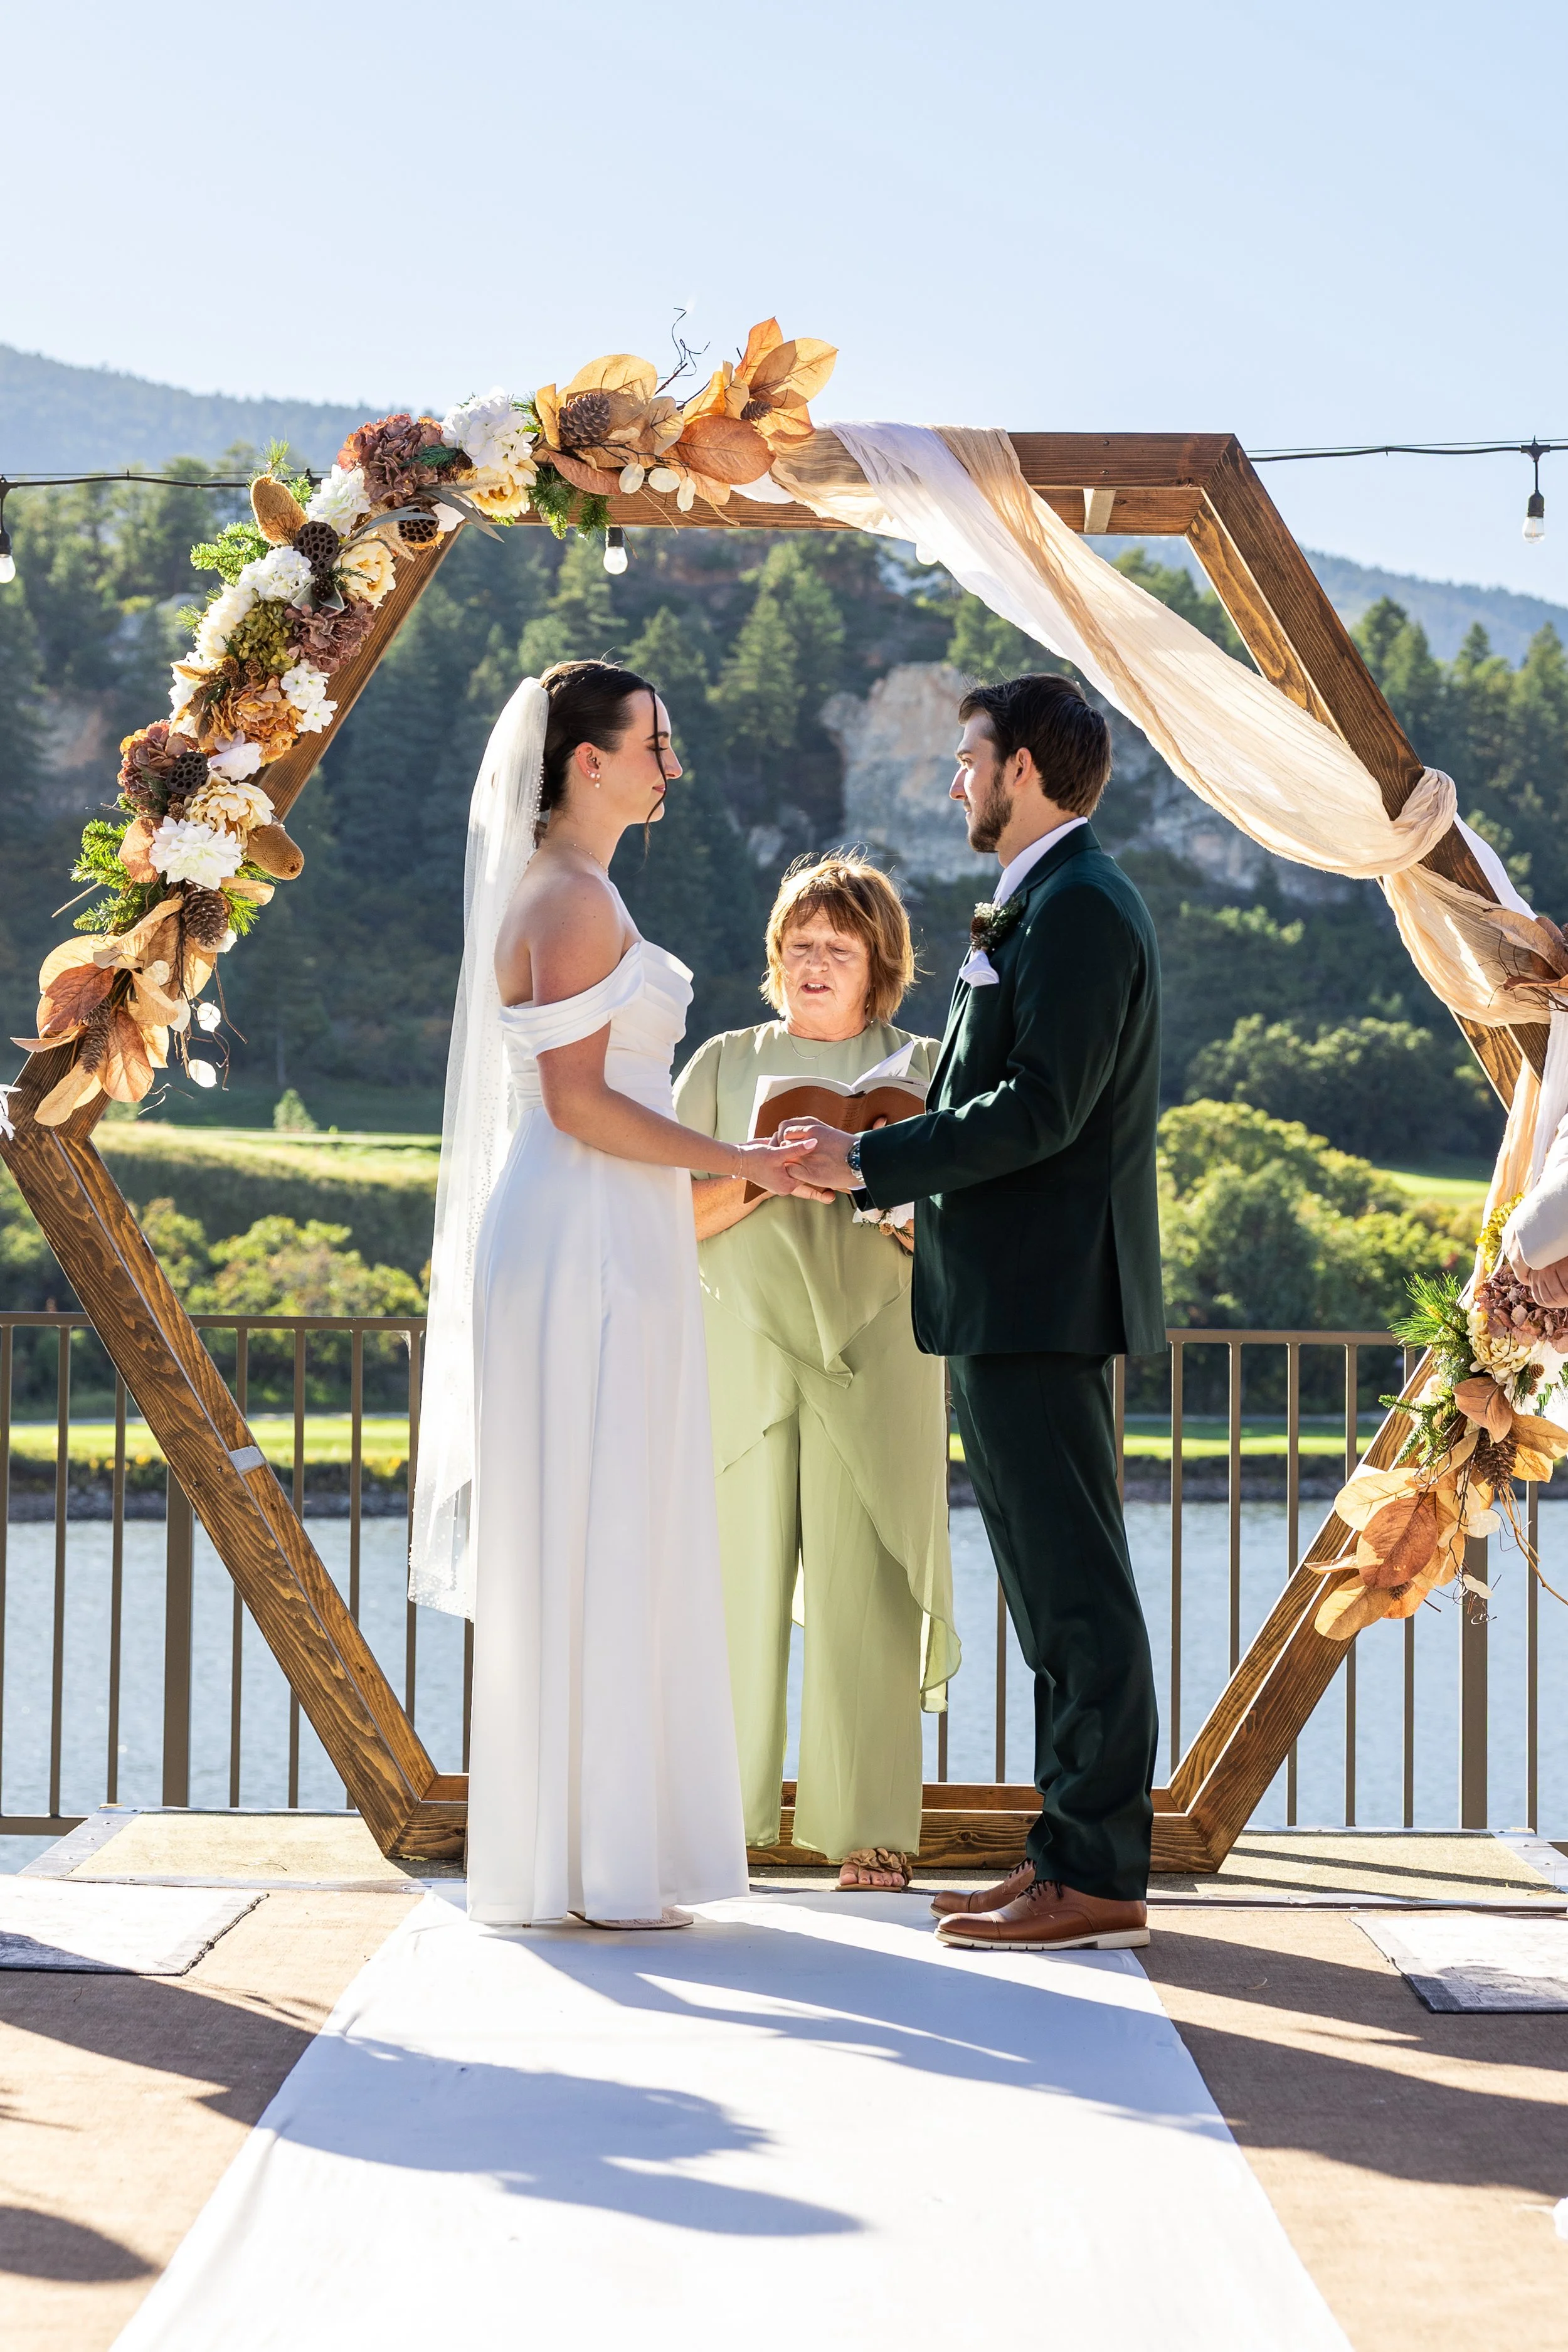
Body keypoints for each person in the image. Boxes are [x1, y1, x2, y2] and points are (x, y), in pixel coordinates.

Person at [408, 662, 822, 1931]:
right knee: (599, 1518)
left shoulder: (569, 888)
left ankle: (589, 1852)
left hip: (594, 1227)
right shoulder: (572, 898)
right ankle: (595, 1860)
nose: (670, 764)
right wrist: (742, 1161)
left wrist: (726, 1178)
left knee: (604, 1519)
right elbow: (584, 1105)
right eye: (654, 741)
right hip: (583, 1228)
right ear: (586, 760)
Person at [780, 673, 1164, 1954]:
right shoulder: (1039, 905)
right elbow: (984, 1088)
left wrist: (868, 1166)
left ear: (1026, 772)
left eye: (969, 757)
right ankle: (1062, 1853)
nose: (953, 778)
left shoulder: (1082, 911)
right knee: (1045, 1594)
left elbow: (1042, 1111)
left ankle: (1099, 1869)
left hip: (1045, 1297)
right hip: (1005, 1296)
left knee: (1076, 1594)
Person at [673, 853, 959, 1892]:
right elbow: (661, 1214)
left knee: (869, 1588)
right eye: (798, 945)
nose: (813, 962)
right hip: (742, 1342)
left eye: (837, 947)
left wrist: (881, 1192)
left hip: (884, 1350)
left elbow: (974, 1227)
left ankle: (870, 1829)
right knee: (727, 1586)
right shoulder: (721, 1062)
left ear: (879, 963)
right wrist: (766, 1175)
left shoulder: (930, 1063)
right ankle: (718, 1818)